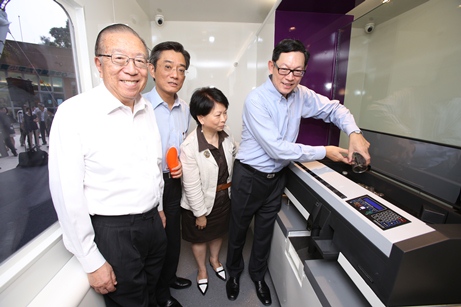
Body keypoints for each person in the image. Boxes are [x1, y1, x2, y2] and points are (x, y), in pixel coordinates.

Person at [225, 39, 371, 306]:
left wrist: (355, 133)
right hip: (249, 176)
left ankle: (257, 276)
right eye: (284, 69)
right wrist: (324, 150)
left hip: (275, 179)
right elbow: (276, 148)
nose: (290, 77)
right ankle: (233, 275)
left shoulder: (301, 94)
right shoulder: (256, 100)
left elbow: (333, 108)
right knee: (238, 232)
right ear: (271, 66)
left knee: (264, 234)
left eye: (297, 71)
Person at [48, 24, 167, 307]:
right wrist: (91, 261)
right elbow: (67, 194)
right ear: (98, 64)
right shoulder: (74, 114)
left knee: (152, 292)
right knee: (130, 302)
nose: (132, 68)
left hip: (152, 224)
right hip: (114, 231)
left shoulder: (146, 108)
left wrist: (159, 208)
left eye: (139, 60)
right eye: (119, 58)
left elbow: (154, 163)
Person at [143, 41, 191, 307]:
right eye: (168, 67)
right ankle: (160, 297)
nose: (175, 74)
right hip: (151, 183)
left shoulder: (185, 108)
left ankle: (169, 278)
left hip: (174, 181)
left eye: (181, 69)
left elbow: (182, 144)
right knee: (156, 242)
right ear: (152, 69)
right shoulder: (142, 106)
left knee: (174, 236)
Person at [180, 87, 236, 296]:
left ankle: (214, 260)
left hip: (223, 198)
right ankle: (202, 270)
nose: (224, 118)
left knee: (218, 233)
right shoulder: (190, 146)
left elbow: (232, 156)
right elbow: (191, 185)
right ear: (201, 118)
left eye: (225, 112)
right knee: (200, 238)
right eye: (218, 114)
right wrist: (200, 214)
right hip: (200, 202)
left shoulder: (226, 135)